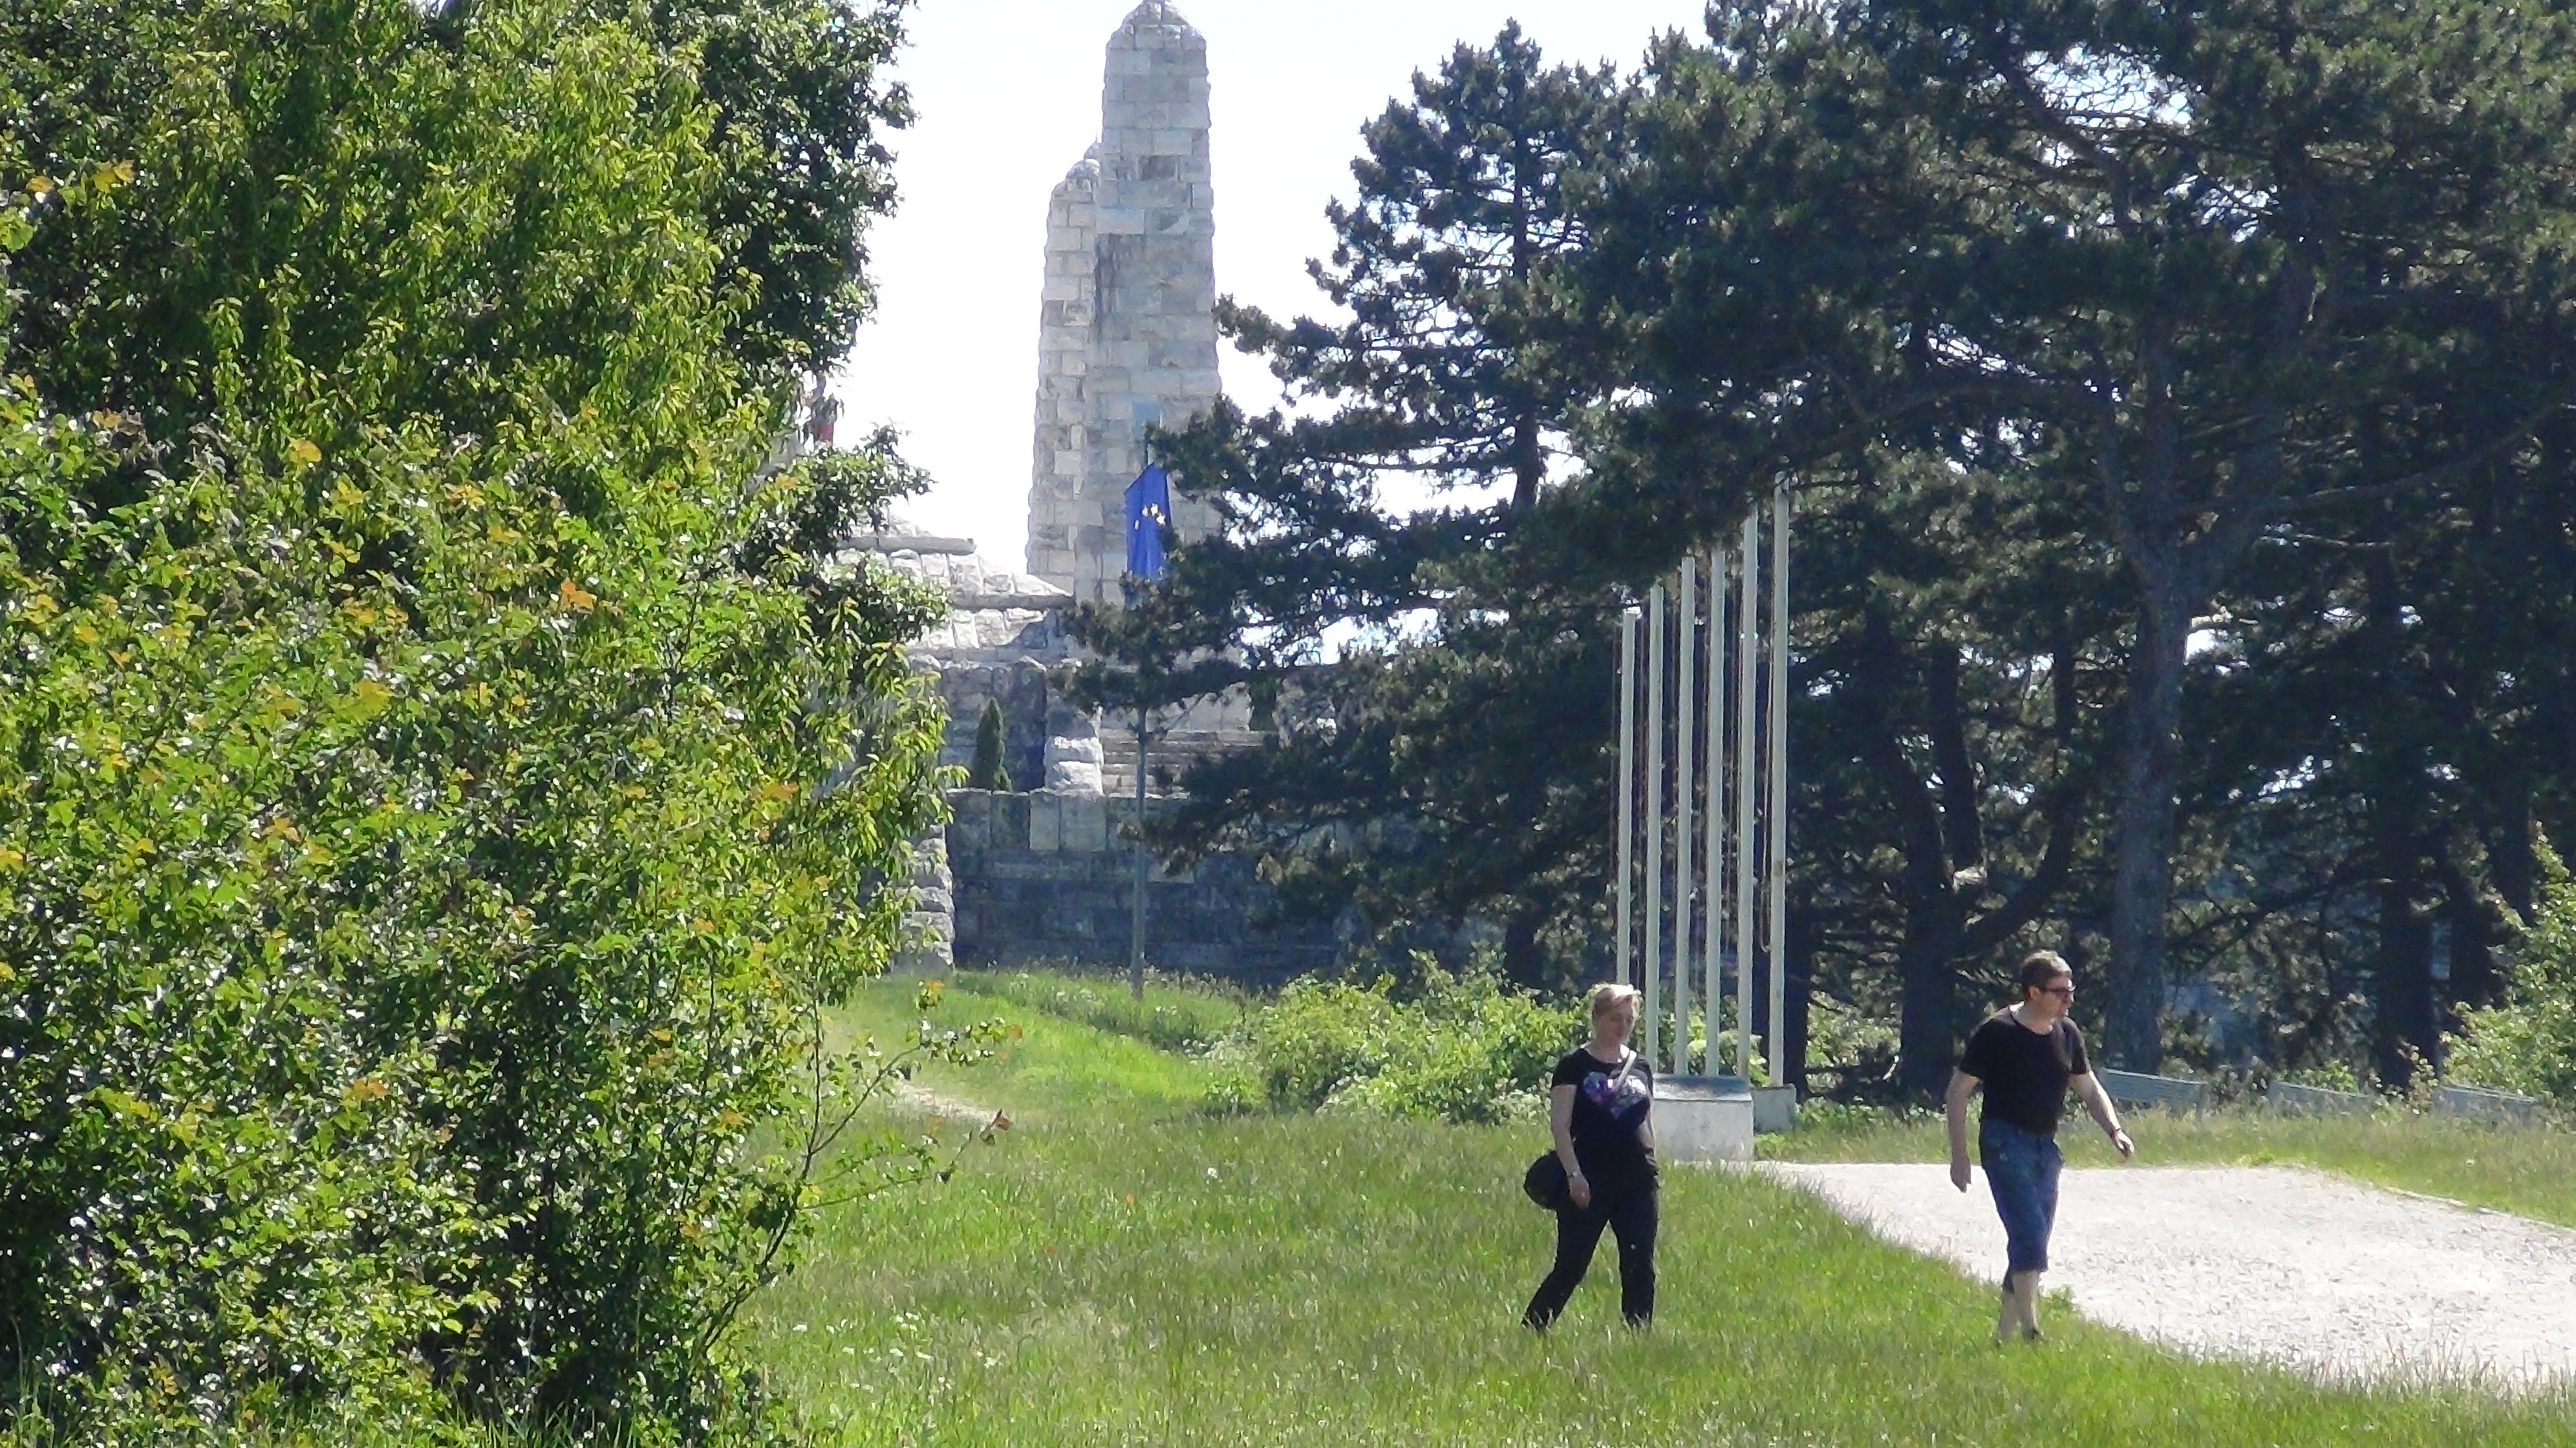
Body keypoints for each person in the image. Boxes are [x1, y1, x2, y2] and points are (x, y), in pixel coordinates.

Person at [1945, 950, 2134, 1343]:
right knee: (2029, 1234)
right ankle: (2032, 1329)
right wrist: (1959, 1156)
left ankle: (2003, 1336)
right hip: (2003, 1141)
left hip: (2045, 1148)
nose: (2069, 999)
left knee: (2032, 1241)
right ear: (2033, 992)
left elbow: (2088, 1087)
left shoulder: (2067, 1034)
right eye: (2060, 992)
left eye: (2071, 990)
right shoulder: (1997, 1031)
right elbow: (1958, 1092)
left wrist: (2114, 1130)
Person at [1523, 981, 1657, 1331]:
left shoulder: (1641, 1066)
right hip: (1589, 1176)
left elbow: (1646, 1119)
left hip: (1638, 1178)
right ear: (1597, 1018)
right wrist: (1574, 1175)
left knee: (1639, 1262)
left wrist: (1652, 1161)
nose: (1622, 1026)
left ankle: (1639, 1333)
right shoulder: (1574, 1066)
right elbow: (1560, 1125)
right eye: (1615, 1018)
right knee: (1573, 1263)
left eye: (1628, 1019)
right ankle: (1534, 1326)